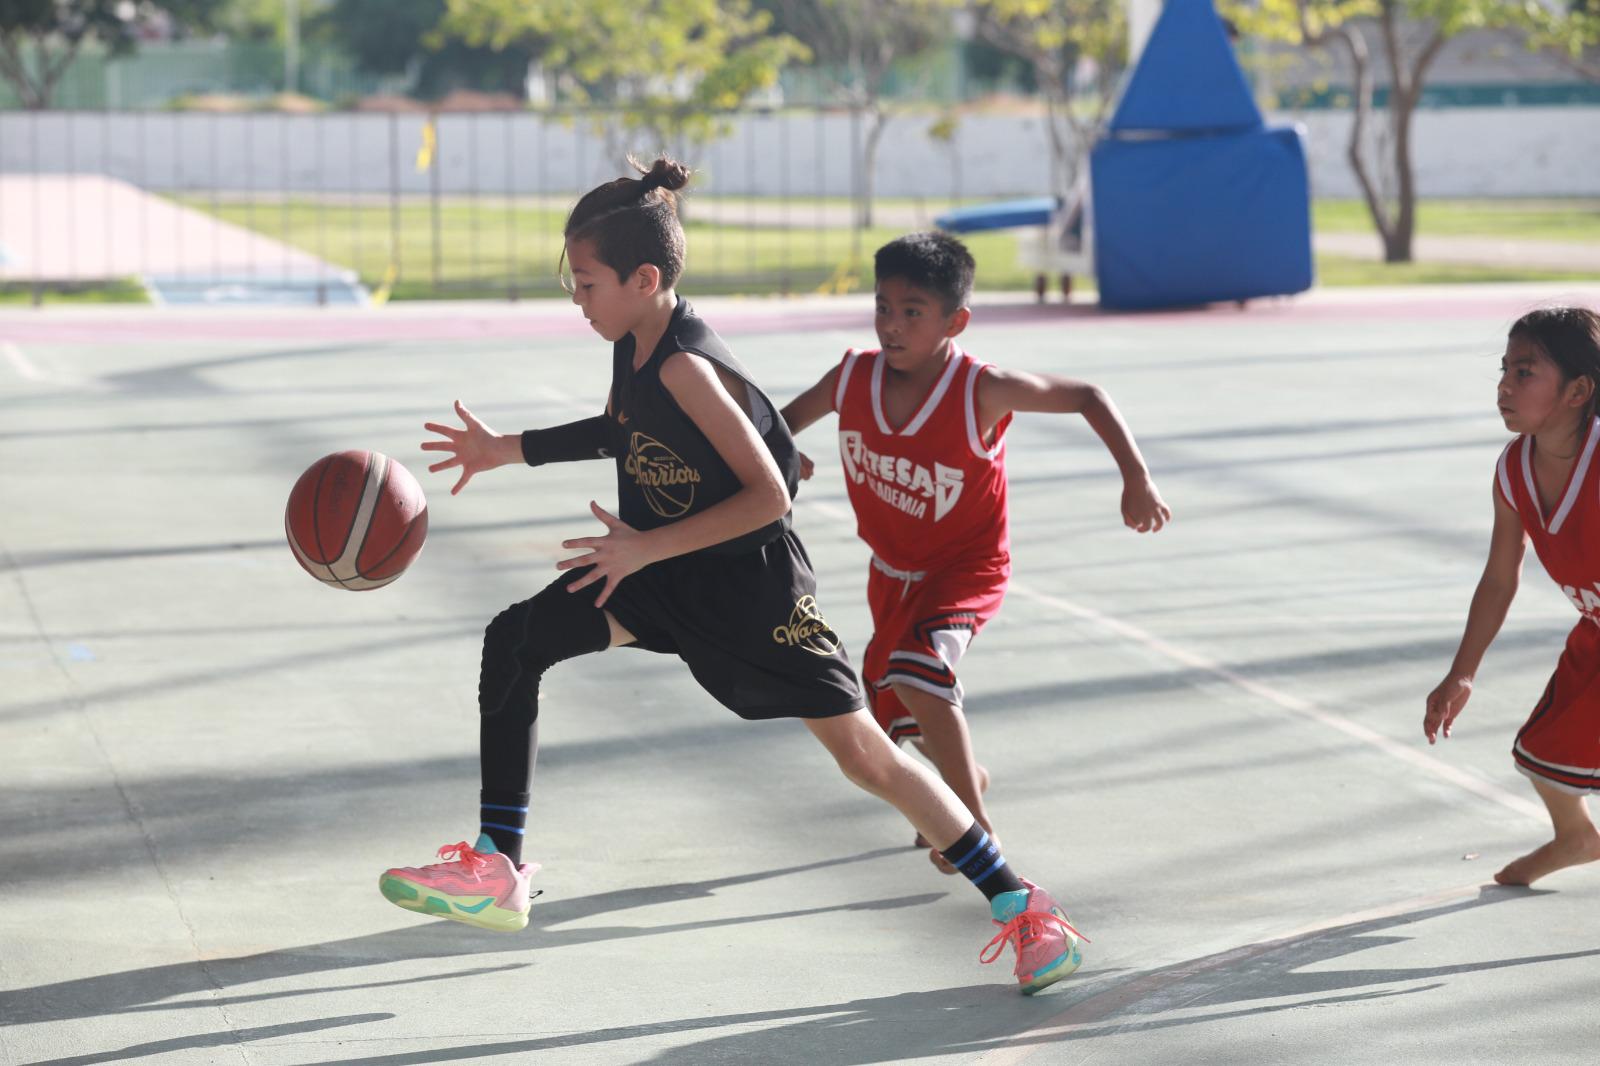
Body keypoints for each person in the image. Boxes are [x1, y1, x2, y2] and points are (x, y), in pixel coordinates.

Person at [376, 158, 1085, 994]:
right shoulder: (635, 340)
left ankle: (1025, 905)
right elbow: (621, 427)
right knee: (517, 639)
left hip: (754, 597)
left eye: (587, 281)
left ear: (645, 280)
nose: (576, 296)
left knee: (869, 760)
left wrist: (642, 548)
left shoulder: (684, 363)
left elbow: (770, 494)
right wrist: (510, 449)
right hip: (665, 575)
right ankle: (498, 865)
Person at [780, 231, 1170, 873]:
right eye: (883, 307)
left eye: (913, 312)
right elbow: (774, 427)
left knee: (916, 667)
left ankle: (973, 828)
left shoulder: (979, 390)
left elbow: (1087, 397)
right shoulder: (852, 377)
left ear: (955, 320)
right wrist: (783, 451)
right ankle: (968, 783)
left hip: (965, 570)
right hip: (892, 574)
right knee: (887, 724)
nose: (892, 326)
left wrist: (1136, 477)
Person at [1426, 307, 1600, 886]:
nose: (1504, 384)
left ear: (1578, 390)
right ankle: (1575, 838)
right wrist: (1462, 673)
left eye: (1524, 372)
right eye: (1504, 369)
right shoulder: (1513, 470)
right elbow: (1501, 577)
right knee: (1544, 756)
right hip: (1595, 631)